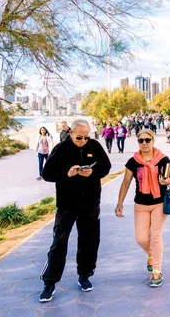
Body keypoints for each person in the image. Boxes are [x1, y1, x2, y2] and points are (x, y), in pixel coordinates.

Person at [39, 119, 111, 303]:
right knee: (59, 242)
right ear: (71, 133)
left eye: (86, 137)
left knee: (89, 240)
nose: (83, 140)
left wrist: (93, 173)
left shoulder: (94, 146)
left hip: (91, 203)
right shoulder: (61, 149)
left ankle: (84, 275)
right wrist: (66, 174)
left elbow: (106, 167)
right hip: (66, 204)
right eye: (79, 137)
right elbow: (47, 174)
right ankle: (50, 282)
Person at [115, 129, 170, 288]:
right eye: (141, 141)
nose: (144, 143)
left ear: (153, 141)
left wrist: (165, 182)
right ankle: (150, 254)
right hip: (140, 204)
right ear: (138, 142)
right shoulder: (133, 162)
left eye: (147, 140)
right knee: (141, 238)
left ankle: (157, 271)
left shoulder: (163, 159)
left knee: (155, 237)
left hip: (159, 203)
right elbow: (125, 183)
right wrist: (120, 203)